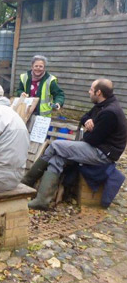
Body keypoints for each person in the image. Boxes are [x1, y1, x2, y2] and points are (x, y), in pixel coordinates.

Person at [23, 79, 127, 210]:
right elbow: (84, 117)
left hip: (103, 154)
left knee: (55, 145)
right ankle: (42, 201)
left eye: (91, 89)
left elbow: (91, 139)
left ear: (98, 92)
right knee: (57, 158)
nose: (89, 92)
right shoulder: (102, 105)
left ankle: (27, 182)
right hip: (96, 147)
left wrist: (89, 129)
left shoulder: (109, 112)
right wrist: (88, 120)